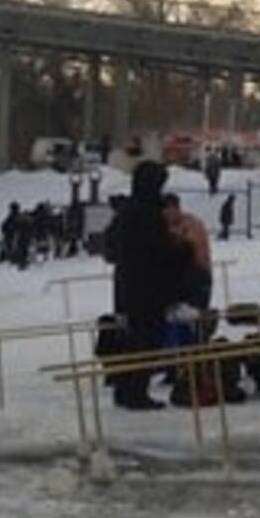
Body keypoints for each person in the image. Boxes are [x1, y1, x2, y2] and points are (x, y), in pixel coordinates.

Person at [105, 161, 181, 410]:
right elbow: (160, 250)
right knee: (147, 340)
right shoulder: (148, 212)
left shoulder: (128, 210)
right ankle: (136, 391)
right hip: (149, 287)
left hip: (128, 285)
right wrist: (181, 250)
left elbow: (110, 247)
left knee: (132, 338)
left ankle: (125, 388)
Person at [163, 194, 213, 309]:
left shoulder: (175, 226)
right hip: (201, 273)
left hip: (190, 275)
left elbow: (190, 250)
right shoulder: (194, 222)